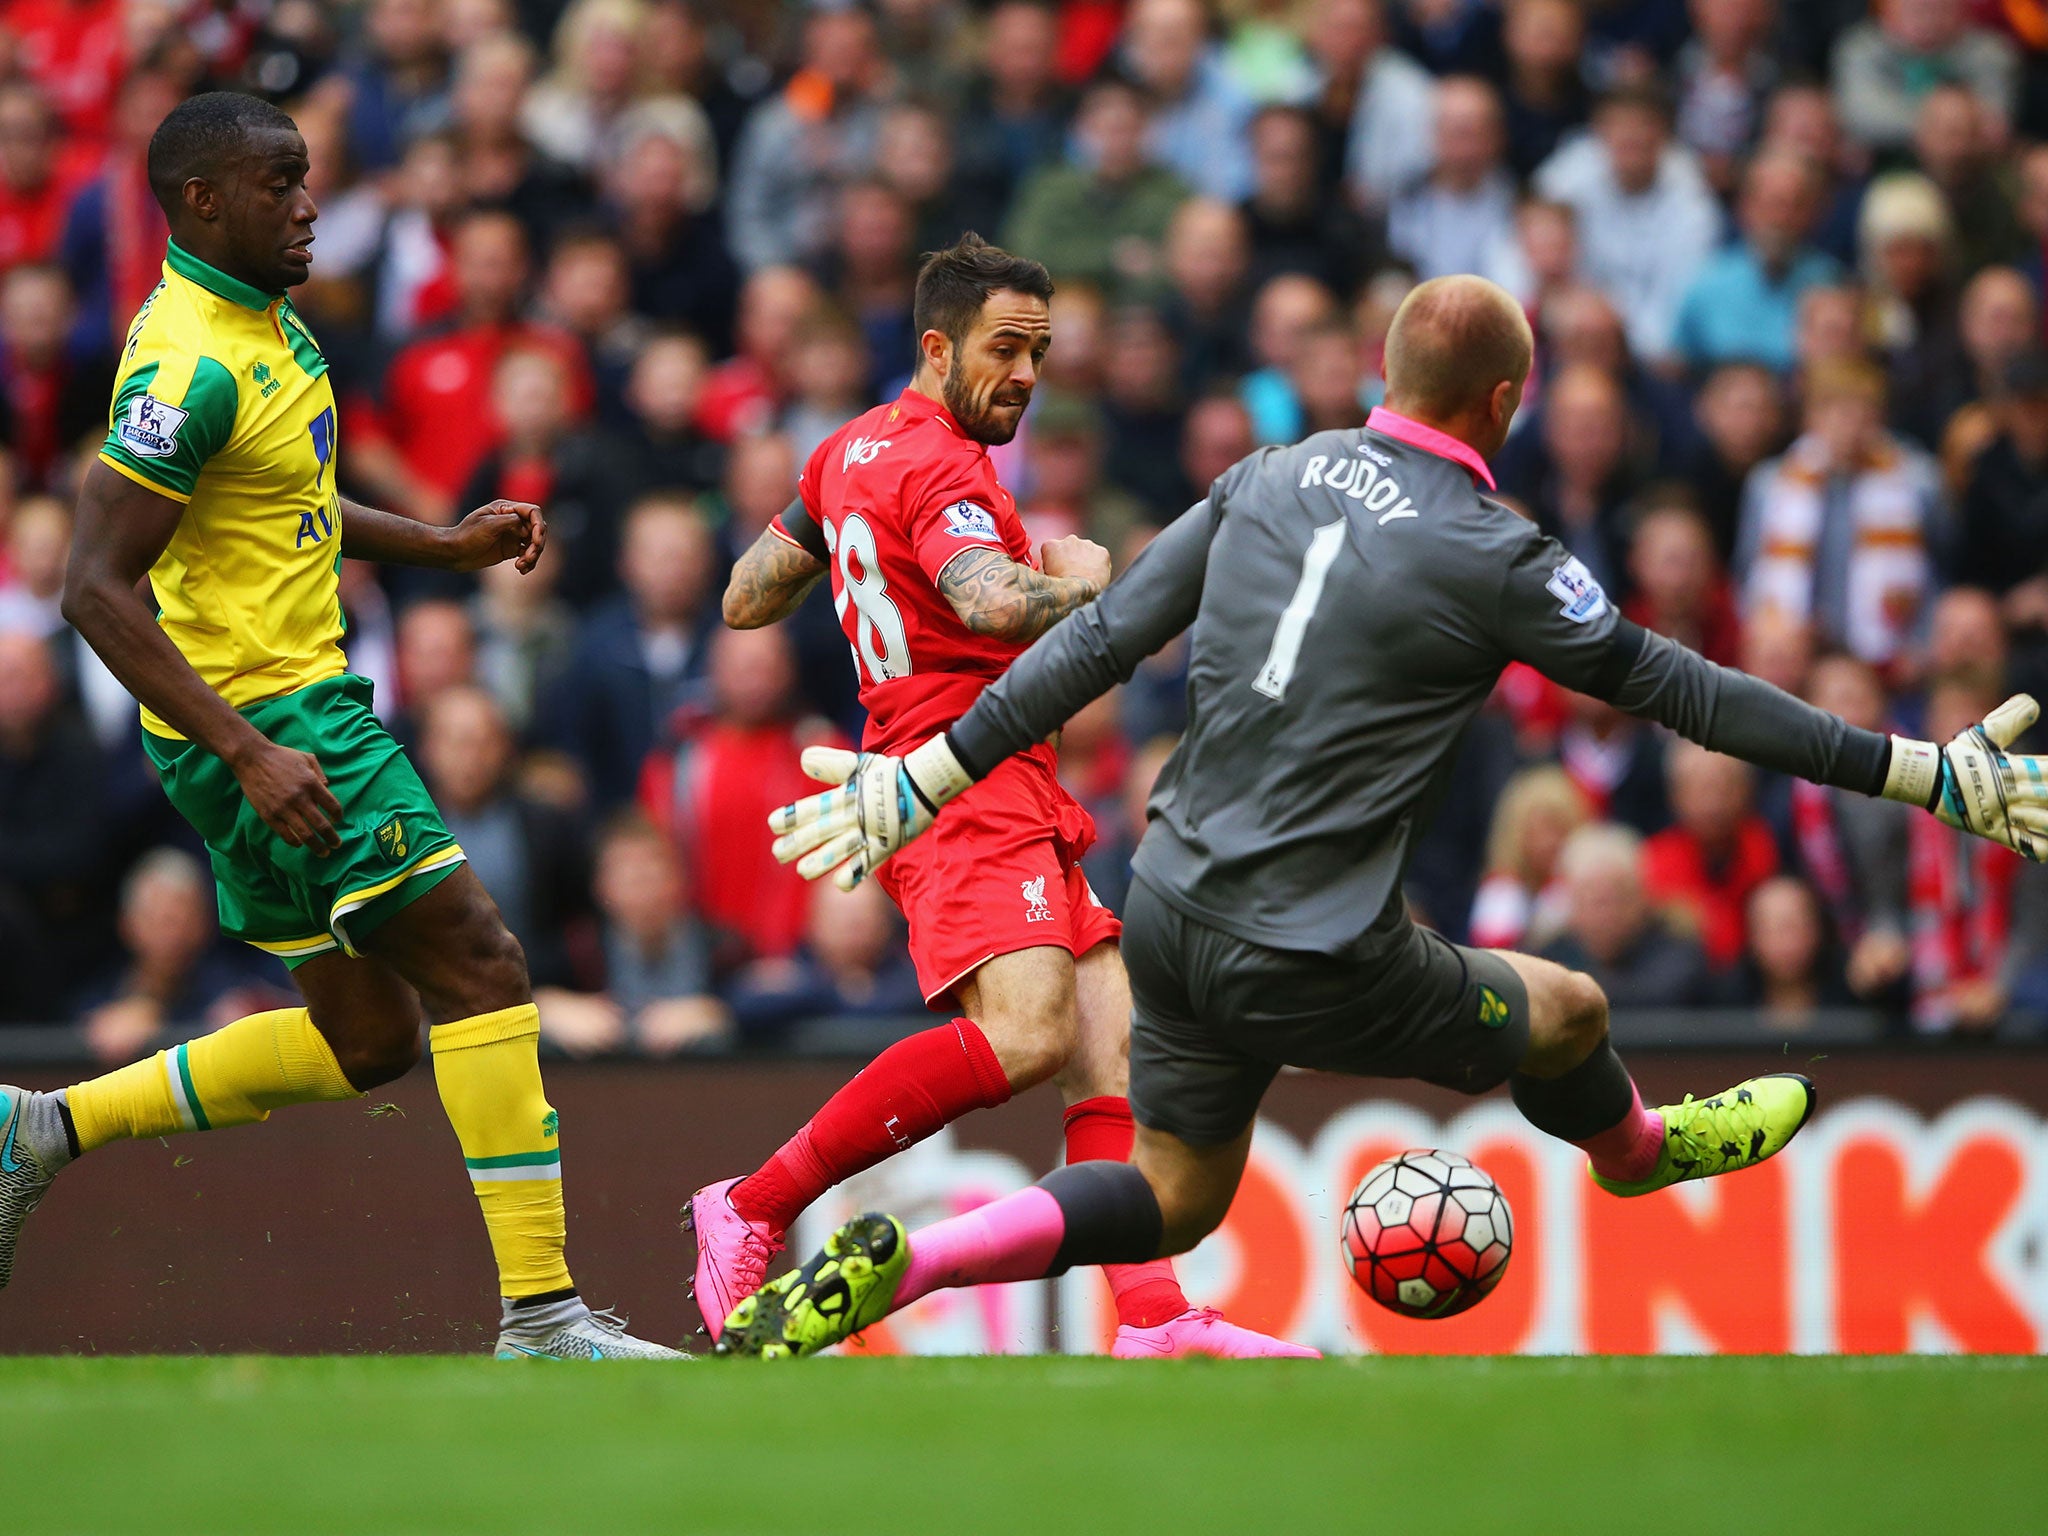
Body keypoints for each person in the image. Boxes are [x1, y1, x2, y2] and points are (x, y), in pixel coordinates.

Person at [730, 273, 2048, 1358]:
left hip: (1174, 911)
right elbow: (1686, 692)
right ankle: (1639, 1154)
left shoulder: (1267, 474)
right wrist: (1921, 771)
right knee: (1573, 1011)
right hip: (1319, 948)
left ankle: (924, 1259)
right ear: (1506, 401)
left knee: (1174, 1199)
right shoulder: (1496, 551)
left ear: (1383, 371)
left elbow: (1100, 642)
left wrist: (926, 774)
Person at [0, 93, 679, 1361]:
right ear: (203, 200)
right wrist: (248, 749)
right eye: (282, 183)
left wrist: (439, 542)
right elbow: (89, 587)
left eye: (308, 180)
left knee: (369, 1042)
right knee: (483, 963)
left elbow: (283, 496)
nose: (310, 206)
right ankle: (544, 1318)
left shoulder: (260, 325)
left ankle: (41, 1129)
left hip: (251, 724)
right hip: (272, 714)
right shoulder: (189, 362)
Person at [700, 233, 1311, 1361]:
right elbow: (988, 604)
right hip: (959, 783)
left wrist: (851, 548)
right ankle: (754, 1202)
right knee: (1027, 1036)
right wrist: (1081, 583)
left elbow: (745, 595)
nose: (1028, 374)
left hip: (995, 780)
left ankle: (1154, 1317)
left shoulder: (844, 450)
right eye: (1006, 349)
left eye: (1040, 350)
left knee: (1108, 1049)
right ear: (936, 347)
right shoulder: (940, 463)